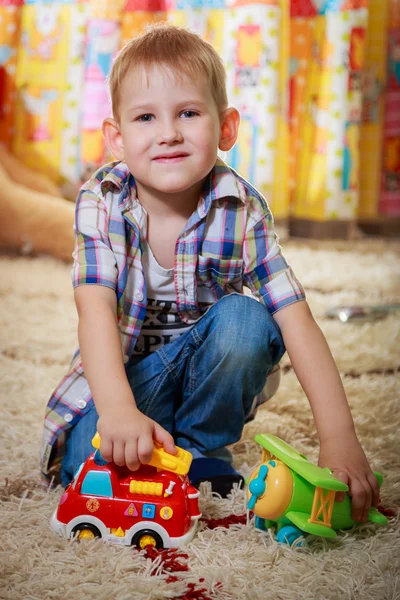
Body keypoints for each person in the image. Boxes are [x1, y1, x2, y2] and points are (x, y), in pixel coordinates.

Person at [41, 24, 379, 519]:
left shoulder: (240, 208)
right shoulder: (103, 200)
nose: (169, 132)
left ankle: (200, 452)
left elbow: (296, 319)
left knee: (249, 318)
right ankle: (146, 449)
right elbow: (93, 311)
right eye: (146, 117)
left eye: (189, 113)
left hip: (202, 392)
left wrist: (339, 440)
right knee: (85, 466)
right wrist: (116, 410)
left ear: (225, 128)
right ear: (116, 138)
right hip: (125, 390)